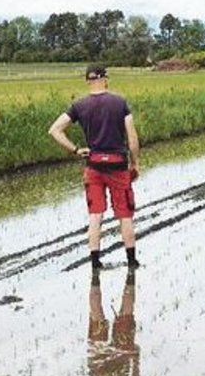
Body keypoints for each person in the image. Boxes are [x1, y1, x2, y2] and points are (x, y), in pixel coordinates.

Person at [48, 65, 142, 269]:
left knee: (95, 214)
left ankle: (95, 262)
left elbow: (54, 130)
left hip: (93, 165)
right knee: (124, 214)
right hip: (118, 165)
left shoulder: (79, 105)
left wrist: (75, 150)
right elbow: (132, 138)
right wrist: (134, 163)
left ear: (88, 81)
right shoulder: (120, 103)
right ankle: (131, 260)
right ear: (105, 79)